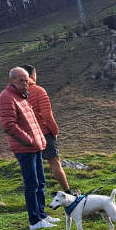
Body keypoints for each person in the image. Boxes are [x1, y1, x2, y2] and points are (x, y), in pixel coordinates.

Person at [0, 67, 54, 230]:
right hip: (25, 148)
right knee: (32, 184)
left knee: (40, 181)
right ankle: (34, 220)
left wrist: (39, 140)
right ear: (12, 81)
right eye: (21, 80)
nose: (25, 83)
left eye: (26, 80)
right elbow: (8, 125)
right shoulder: (6, 97)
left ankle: (42, 214)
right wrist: (29, 141)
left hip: (34, 146)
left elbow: (32, 122)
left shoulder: (21, 96)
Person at [23, 64, 70, 192]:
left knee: (32, 167)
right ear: (32, 75)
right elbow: (46, 115)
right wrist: (55, 131)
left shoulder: (14, 94)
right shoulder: (38, 90)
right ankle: (67, 191)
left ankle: (35, 194)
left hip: (24, 135)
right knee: (55, 162)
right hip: (43, 133)